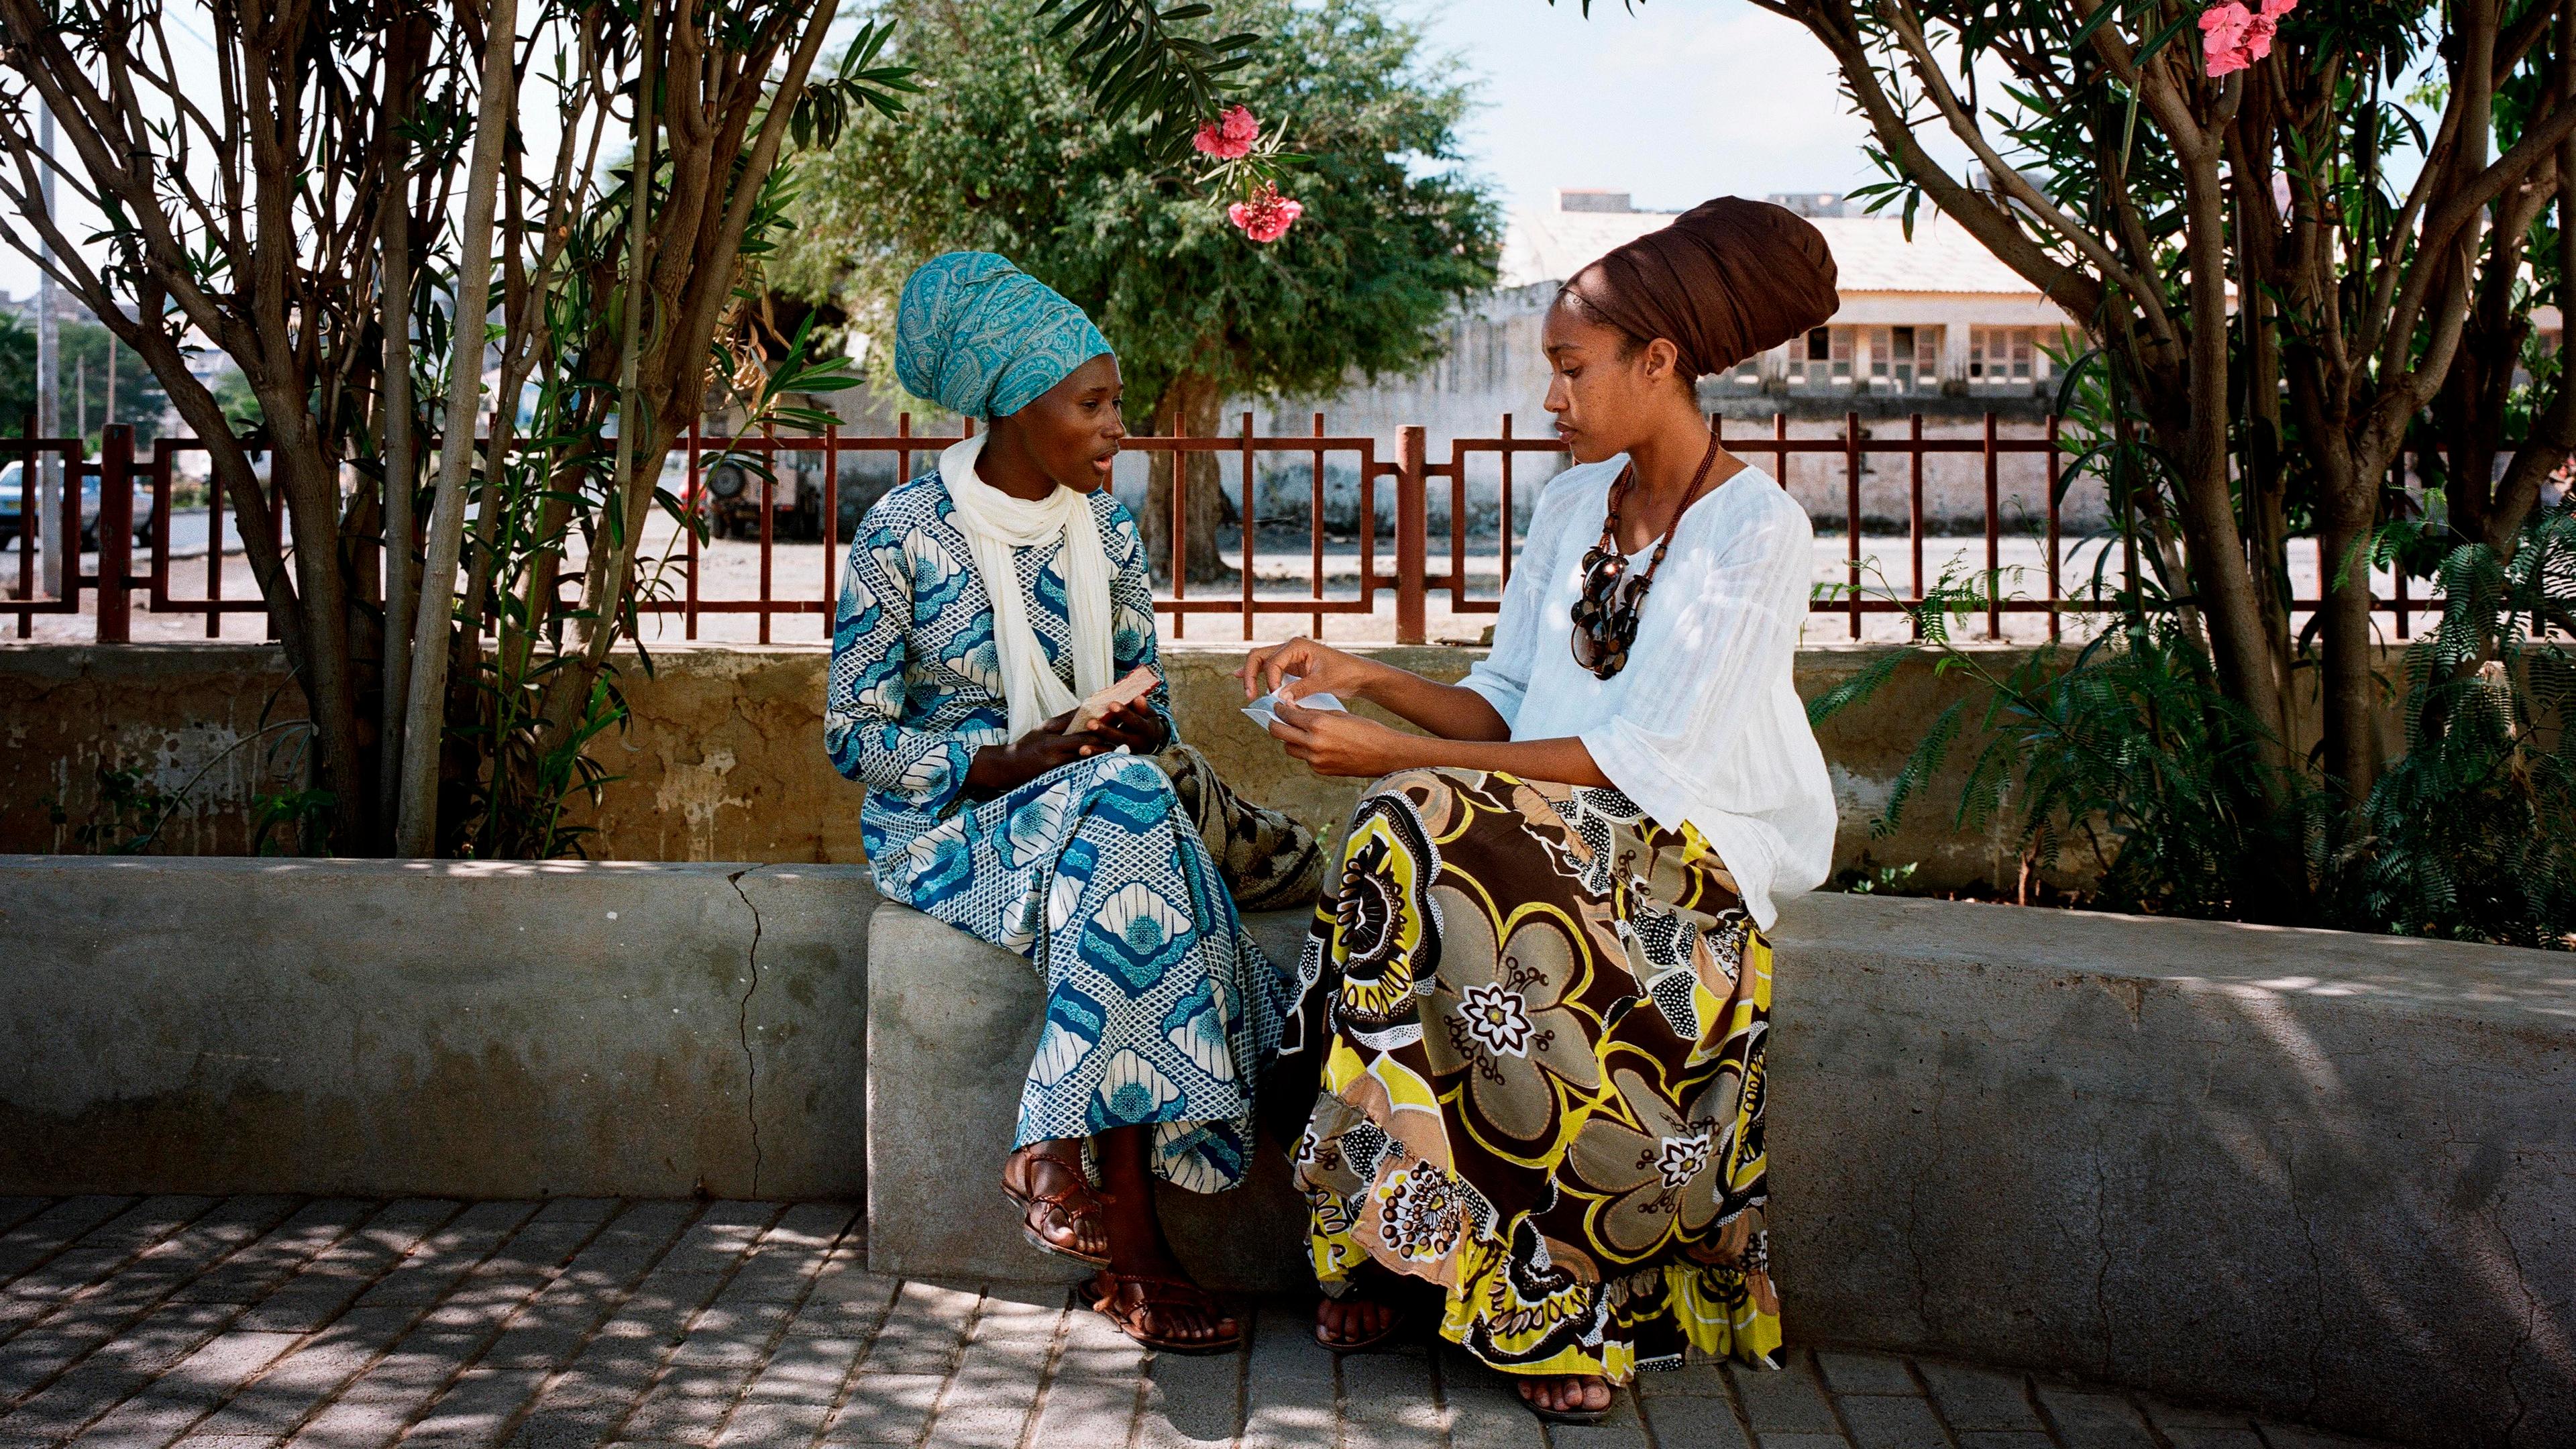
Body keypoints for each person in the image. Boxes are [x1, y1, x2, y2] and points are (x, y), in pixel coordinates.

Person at [1244, 198, 1841, 1422]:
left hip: (1681, 860)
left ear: (1658, 363)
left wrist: (1392, 765)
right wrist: (1366, 680)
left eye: (1572, 370)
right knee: (1405, 836)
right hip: (1541, 822)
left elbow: (1650, 762)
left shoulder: (1756, 532)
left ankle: (1501, 1282)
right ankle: (1404, 1242)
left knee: (1406, 819)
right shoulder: (1575, 508)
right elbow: (1508, 704)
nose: (1553, 400)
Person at [825, 252, 1315, 1354]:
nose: (1117, 429)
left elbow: (1161, 719)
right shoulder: (905, 531)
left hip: (1100, 811)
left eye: (1118, 405)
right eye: (1092, 405)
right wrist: (1006, 760)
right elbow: (851, 735)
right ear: (1012, 403)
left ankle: (1053, 1150)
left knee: (1132, 796)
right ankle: (1135, 1238)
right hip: (952, 830)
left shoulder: (1113, 537)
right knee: (1130, 812)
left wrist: (1135, 731)